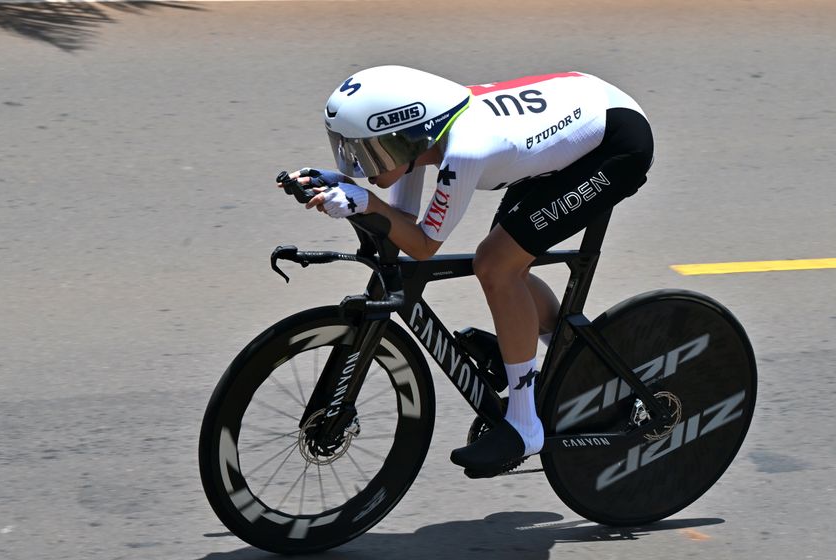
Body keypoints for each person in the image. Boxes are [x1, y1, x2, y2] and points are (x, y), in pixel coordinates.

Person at [276, 65, 654, 476]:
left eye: (367, 153)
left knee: (497, 265)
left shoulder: (464, 151)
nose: (360, 167)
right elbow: (401, 219)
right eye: (348, 152)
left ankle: (525, 426)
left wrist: (365, 202)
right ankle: (577, 365)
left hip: (615, 146)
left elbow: (422, 246)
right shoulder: (424, 137)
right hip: (579, 120)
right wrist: (339, 185)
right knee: (509, 261)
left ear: (404, 139)